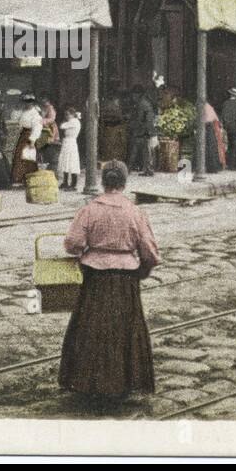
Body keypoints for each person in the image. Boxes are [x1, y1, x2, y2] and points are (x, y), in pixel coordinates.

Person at [59, 160, 160, 405]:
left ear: (103, 181)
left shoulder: (90, 209)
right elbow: (149, 251)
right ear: (124, 183)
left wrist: (91, 250)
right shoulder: (134, 212)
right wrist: (142, 270)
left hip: (95, 279)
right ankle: (126, 382)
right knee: (125, 330)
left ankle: (86, 382)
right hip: (125, 280)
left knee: (91, 328)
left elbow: (72, 243)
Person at [12, 94, 44, 186]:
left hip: (30, 136)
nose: (28, 104)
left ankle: (28, 179)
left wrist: (33, 140)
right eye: (26, 102)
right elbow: (16, 118)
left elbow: (37, 127)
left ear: (33, 103)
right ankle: (19, 179)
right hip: (23, 135)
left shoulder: (35, 114)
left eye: (30, 102)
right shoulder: (24, 112)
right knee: (19, 155)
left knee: (28, 157)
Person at [127, 86, 156, 176]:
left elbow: (140, 119)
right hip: (147, 131)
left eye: (134, 95)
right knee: (146, 151)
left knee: (136, 150)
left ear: (137, 95)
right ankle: (147, 169)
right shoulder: (144, 102)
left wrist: (133, 127)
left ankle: (129, 169)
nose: (132, 97)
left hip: (143, 131)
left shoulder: (141, 104)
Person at [57, 107, 82, 191]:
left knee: (72, 162)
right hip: (67, 142)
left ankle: (73, 184)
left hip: (71, 142)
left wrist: (65, 121)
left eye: (67, 114)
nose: (66, 116)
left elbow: (62, 126)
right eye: (65, 115)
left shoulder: (74, 121)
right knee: (65, 161)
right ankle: (65, 182)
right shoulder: (72, 121)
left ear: (72, 114)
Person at [220, 88, 236, 170]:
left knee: (230, 147)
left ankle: (230, 164)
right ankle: (235, 165)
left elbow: (223, 116)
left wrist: (225, 126)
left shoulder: (225, 104)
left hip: (228, 128)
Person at [201, 100, 225, 173]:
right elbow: (215, 119)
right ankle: (213, 167)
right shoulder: (209, 107)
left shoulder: (204, 107)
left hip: (207, 127)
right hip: (212, 128)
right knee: (212, 148)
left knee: (208, 148)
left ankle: (209, 167)